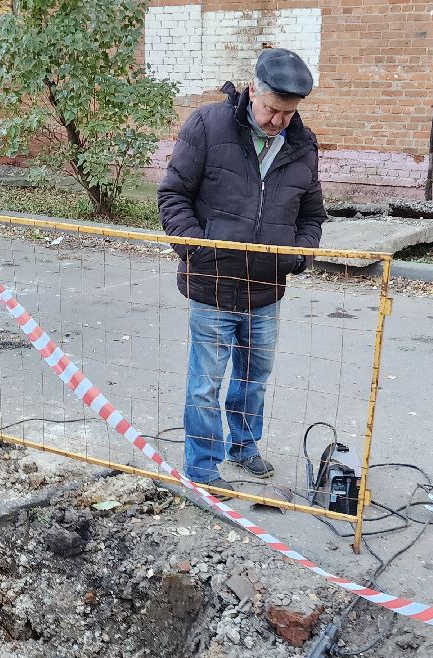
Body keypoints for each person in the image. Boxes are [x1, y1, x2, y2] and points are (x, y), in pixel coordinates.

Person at [158, 47, 327, 487]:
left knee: (253, 379)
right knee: (205, 385)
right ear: (253, 91)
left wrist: (299, 256)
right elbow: (173, 195)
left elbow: (312, 217)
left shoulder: (302, 146)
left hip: (266, 290)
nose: (278, 122)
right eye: (272, 110)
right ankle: (201, 467)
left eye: (288, 114)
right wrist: (196, 250)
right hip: (212, 284)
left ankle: (244, 446)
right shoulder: (208, 126)